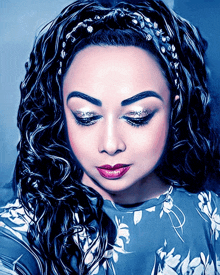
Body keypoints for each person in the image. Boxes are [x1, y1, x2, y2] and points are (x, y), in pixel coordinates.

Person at [0, 0, 220, 274]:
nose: (110, 145)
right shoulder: (27, 226)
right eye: (86, 117)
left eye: (138, 116)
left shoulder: (212, 222)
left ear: (174, 108)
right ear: (61, 113)